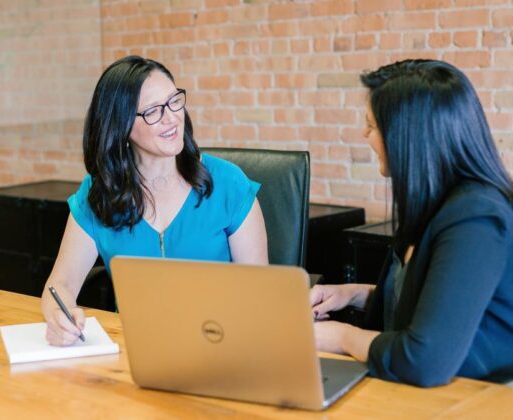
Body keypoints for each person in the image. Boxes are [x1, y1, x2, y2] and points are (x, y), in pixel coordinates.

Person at [310, 59, 513, 386]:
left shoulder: (476, 217)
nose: (364, 134)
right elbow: (434, 302)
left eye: (372, 125)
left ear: (408, 136)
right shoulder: (436, 203)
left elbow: (424, 359)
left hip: (479, 398)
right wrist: (354, 294)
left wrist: (343, 337)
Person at [42, 56, 268, 346]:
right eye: (152, 111)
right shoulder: (98, 195)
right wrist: (59, 319)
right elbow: (59, 284)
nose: (172, 117)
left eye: (174, 101)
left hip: (219, 345)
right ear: (121, 126)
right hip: (133, 351)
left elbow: (260, 294)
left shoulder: (228, 184)